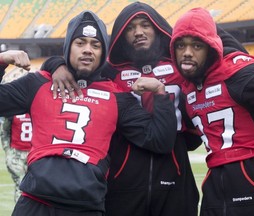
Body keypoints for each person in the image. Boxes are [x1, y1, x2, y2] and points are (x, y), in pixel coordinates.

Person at [0, 10, 177, 216]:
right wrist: (2, 60)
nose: (87, 50)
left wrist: (160, 93)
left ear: (103, 53)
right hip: (36, 203)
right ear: (68, 48)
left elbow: (160, 140)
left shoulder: (116, 96)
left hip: (85, 207)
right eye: (80, 43)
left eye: (96, 45)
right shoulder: (39, 83)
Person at [42, 2, 202, 215]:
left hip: (175, 175)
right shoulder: (109, 71)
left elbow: (213, 51)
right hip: (123, 180)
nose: (138, 32)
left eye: (145, 25)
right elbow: (75, 63)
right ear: (119, 35)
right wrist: (56, 65)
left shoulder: (180, 66)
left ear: (157, 27)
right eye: (129, 28)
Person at [170, 7, 254, 216]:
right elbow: (190, 139)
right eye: (180, 45)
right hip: (216, 186)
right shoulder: (187, 87)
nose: (187, 52)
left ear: (211, 48)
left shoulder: (240, 74)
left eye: (196, 45)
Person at [0, 68, 32, 203]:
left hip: (34, 153)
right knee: (21, 188)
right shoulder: (12, 110)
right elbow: (5, 131)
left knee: (35, 189)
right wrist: (8, 150)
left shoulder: (36, 105)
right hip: (18, 153)